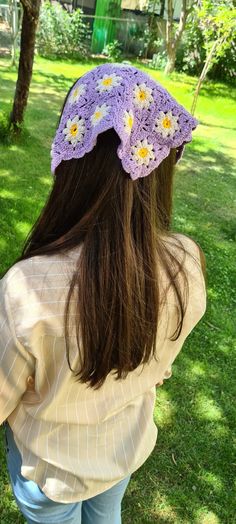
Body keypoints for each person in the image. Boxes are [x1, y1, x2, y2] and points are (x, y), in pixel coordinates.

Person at [0, 63, 207, 524]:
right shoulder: (185, 265)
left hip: (50, 474)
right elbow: (162, 364)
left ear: (71, 157)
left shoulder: (28, 290)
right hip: (121, 455)